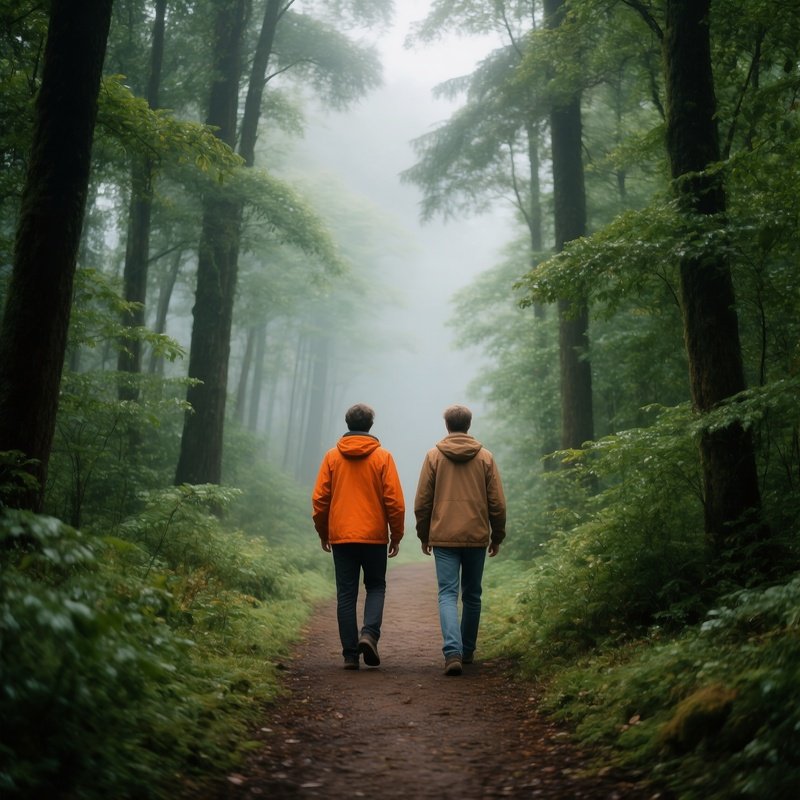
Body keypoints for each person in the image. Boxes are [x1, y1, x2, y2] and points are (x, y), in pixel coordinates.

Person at [414, 404, 506, 676]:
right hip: (476, 536)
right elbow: (497, 503)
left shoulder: (434, 456)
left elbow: (422, 502)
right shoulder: (485, 457)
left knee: (447, 594)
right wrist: (497, 535)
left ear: (447, 426)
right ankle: (467, 652)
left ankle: (451, 652)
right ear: (468, 424)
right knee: (473, 594)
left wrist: (424, 534)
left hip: (443, 536)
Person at [312, 403, 405, 670]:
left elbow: (320, 500)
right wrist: (395, 535)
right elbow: (394, 502)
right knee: (376, 586)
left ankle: (350, 655)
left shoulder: (332, 457)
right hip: (374, 536)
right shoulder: (383, 457)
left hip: (342, 536)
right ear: (370, 425)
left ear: (348, 423)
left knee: (346, 594)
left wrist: (324, 531)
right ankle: (369, 634)